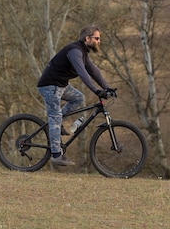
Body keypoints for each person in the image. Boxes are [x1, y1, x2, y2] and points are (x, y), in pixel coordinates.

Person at [37, 24, 115, 166]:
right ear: (87, 38)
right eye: (97, 38)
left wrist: (107, 87)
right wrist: (96, 90)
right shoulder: (75, 51)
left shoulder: (83, 52)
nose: (99, 41)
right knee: (55, 117)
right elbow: (82, 72)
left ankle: (58, 123)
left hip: (60, 85)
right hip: (50, 86)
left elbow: (94, 71)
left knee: (78, 98)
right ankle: (56, 155)